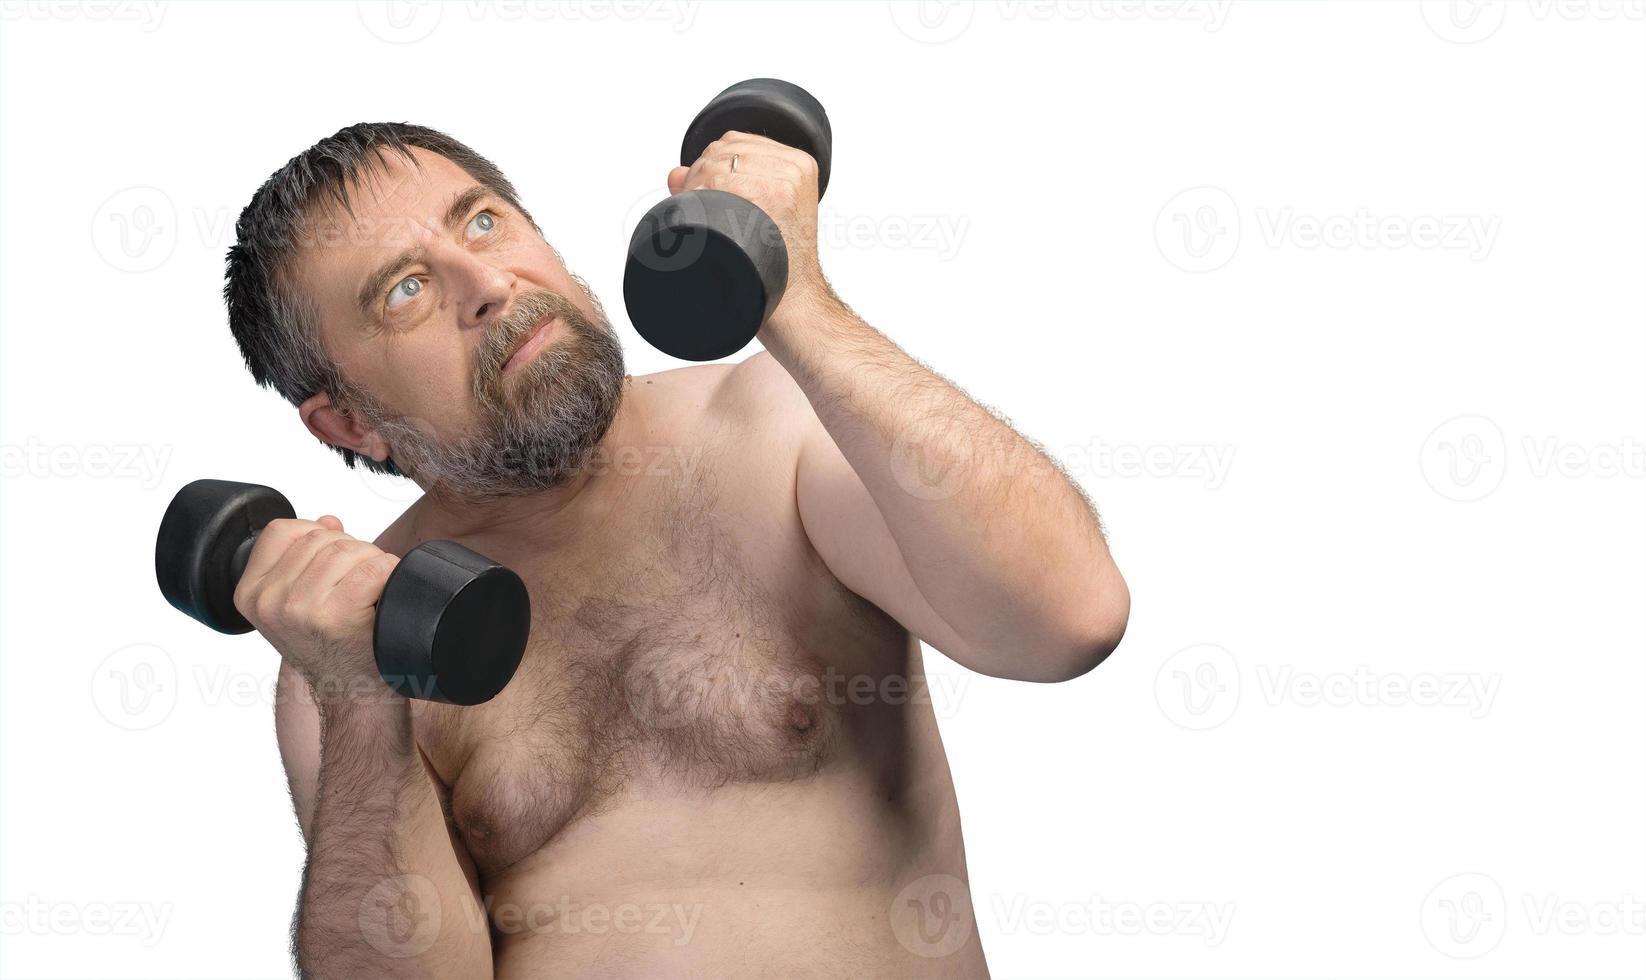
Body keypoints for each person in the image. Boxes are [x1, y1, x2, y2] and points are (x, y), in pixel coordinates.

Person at [222, 120, 1129, 978]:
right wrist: (357, 698)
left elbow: (1066, 622)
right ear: (346, 421)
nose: (487, 281)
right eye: (406, 289)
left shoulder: (774, 432)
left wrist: (798, 300)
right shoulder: (352, 646)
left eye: (485, 221)